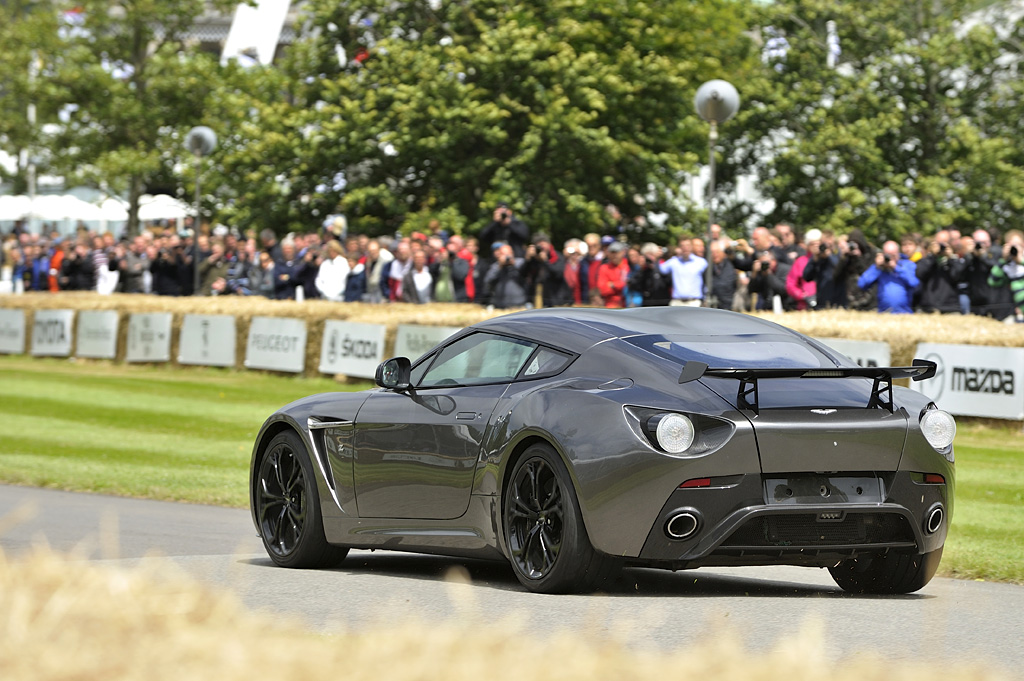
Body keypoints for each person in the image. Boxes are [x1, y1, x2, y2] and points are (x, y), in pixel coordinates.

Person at [857, 240, 919, 313]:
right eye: (888, 255)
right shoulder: (879, 269)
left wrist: (896, 267)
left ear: (898, 254)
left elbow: (914, 283)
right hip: (884, 313)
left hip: (904, 312)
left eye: (893, 255)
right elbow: (861, 284)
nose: (890, 259)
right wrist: (876, 267)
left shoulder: (907, 264)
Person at [916, 230, 965, 313]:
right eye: (939, 243)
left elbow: (959, 276)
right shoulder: (927, 260)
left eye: (945, 242)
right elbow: (920, 274)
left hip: (950, 308)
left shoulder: (955, 260)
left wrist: (950, 258)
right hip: (929, 308)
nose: (941, 246)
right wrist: (933, 256)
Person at [659, 236, 707, 306]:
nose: (685, 248)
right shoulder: (674, 261)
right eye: (682, 246)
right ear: (679, 248)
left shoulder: (701, 262)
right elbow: (662, 270)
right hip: (677, 302)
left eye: (687, 245)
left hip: (694, 302)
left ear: (691, 247)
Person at [987, 230, 1024, 321]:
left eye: (1018, 244)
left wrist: (1020, 260)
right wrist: (1003, 260)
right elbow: (992, 282)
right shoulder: (1007, 266)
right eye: (1012, 245)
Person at [484, 243, 528, 308]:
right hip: (500, 304)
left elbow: (525, 275)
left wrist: (513, 265)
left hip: (518, 304)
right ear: (499, 255)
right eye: (504, 254)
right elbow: (487, 281)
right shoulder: (495, 266)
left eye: (508, 254)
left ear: (512, 253)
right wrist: (500, 266)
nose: (507, 257)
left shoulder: (520, 263)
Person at [630, 242, 671, 307]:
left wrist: (656, 269)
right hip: (647, 304)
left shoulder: (662, 266)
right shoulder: (643, 270)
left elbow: (669, 282)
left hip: (662, 303)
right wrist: (642, 270)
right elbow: (633, 285)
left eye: (651, 254)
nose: (650, 257)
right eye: (647, 255)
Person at [596, 241, 631, 308]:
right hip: (610, 305)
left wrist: (612, 284)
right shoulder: (604, 268)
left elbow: (629, 285)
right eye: (612, 253)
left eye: (617, 252)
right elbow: (603, 290)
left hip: (628, 304)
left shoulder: (628, 266)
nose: (614, 255)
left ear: (623, 252)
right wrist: (621, 285)